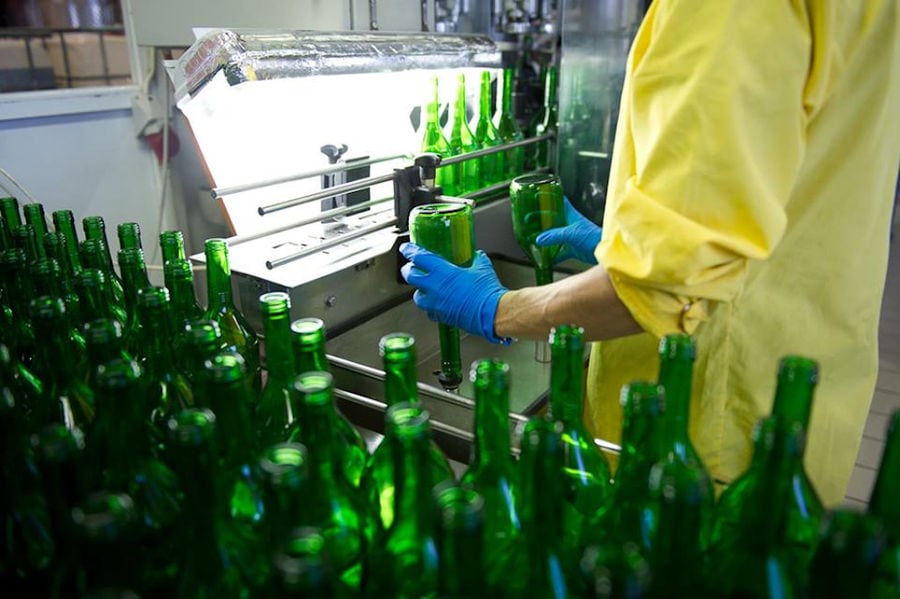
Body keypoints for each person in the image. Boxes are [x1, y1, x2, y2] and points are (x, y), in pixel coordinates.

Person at [400, 0, 900, 506]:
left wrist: (495, 309)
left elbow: (661, 288)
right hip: (804, 391)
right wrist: (623, 248)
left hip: (709, 431)